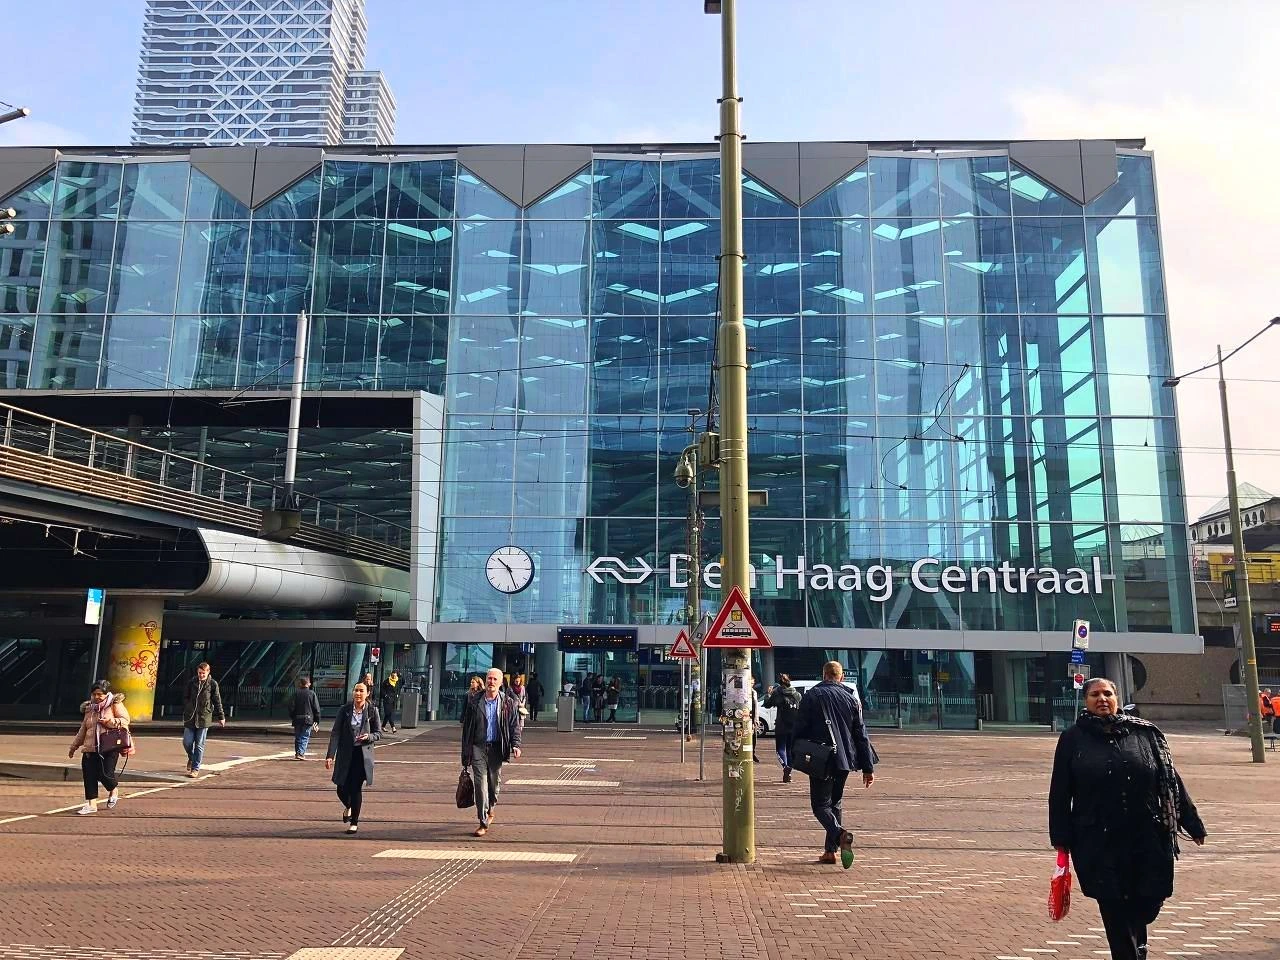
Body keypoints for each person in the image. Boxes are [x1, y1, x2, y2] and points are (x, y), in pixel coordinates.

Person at [1049, 677, 1207, 960]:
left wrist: (1191, 821)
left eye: (1107, 693)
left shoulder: (1144, 733)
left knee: (1146, 901)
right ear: (1086, 701)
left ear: (1117, 698)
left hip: (1146, 835)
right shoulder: (1073, 738)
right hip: (1098, 839)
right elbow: (1060, 791)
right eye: (1095, 695)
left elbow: (1170, 779)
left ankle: (1137, 949)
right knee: (1114, 905)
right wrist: (1061, 838)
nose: (1102, 699)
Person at [794, 661, 875, 867]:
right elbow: (861, 735)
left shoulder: (812, 695)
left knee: (820, 806)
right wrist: (868, 768)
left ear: (824, 675)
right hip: (845, 760)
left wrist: (796, 752)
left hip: (822, 758)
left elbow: (800, 727)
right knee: (835, 803)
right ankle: (830, 852)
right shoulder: (851, 699)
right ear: (841, 677)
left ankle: (840, 835)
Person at [460, 667, 523, 837]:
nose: (491, 682)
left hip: (497, 748)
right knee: (480, 784)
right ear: (485, 680)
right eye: (489, 678)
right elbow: (467, 728)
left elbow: (514, 726)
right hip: (478, 747)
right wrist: (466, 752)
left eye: (495, 679)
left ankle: (491, 808)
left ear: (501, 682)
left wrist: (516, 745)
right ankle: (483, 821)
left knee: (494, 785)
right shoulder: (474, 701)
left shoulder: (508, 703)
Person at [325, 681, 381, 834]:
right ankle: (349, 806)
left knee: (356, 788)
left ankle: (354, 822)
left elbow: (378, 733)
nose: (358, 693)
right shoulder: (344, 710)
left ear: (367, 693)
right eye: (356, 690)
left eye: (361, 691)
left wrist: (369, 737)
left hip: (361, 755)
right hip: (345, 754)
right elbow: (336, 733)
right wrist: (330, 755)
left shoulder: (372, 711)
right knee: (341, 788)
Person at [67, 680, 130, 815]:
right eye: (94, 694)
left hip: (109, 747)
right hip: (90, 748)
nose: (96, 697)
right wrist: (74, 746)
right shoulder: (89, 708)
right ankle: (91, 804)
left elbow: (125, 720)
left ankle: (113, 789)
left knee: (105, 774)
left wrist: (109, 722)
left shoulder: (114, 704)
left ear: (106, 694)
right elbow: (83, 729)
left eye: (100, 694)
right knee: (89, 775)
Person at [182, 661, 226, 777]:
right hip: (190, 717)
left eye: (203, 673)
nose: (201, 675)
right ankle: (191, 757)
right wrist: (188, 706)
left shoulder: (212, 684)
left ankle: (195, 769)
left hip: (204, 718)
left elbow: (217, 701)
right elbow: (185, 697)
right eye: (199, 673)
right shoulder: (192, 682)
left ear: (208, 672)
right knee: (187, 742)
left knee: (199, 745)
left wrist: (221, 716)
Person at [764, 674, 802, 782]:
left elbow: (767, 704)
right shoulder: (797, 694)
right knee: (790, 750)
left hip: (782, 725)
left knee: (780, 749)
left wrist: (768, 694)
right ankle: (788, 773)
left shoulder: (778, 693)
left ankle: (785, 767)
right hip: (794, 726)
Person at [288, 676, 322, 760]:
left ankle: (298, 752)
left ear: (300, 684)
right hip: (308, 718)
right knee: (304, 736)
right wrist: (317, 720)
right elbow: (316, 708)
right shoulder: (311, 693)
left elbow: (291, 707)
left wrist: (293, 716)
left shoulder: (296, 693)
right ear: (309, 684)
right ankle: (301, 753)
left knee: (298, 736)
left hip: (297, 718)